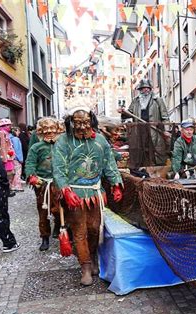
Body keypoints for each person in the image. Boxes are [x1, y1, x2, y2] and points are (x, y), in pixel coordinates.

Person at [53, 100, 123, 286]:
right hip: (75, 194)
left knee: (94, 229)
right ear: (71, 123)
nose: (82, 126)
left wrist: (116, 183)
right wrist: (65, 190)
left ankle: (92, 257)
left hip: (95, 193)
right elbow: (58, 168)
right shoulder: (63, 142)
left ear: (91, 121)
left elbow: (109, 163)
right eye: (78, 123)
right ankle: (84, 266)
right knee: (80, 231)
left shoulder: (100, 140)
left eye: (86, 122)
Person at [25, 117, 61, 251]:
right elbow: (30, 163)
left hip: (59, 183)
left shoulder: (62, 145)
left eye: (52, 128)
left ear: (57, 130)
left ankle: (58, 226)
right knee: (43, 211)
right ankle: (45, 236)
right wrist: (32, 176)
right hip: (42, 184)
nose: (50, 132)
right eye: (46, 129)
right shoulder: (36, 147)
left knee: (60, 208)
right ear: (41, 131)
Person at [0, 119, 16, 197]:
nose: (9, 127)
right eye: (8, 125)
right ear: (3, 126)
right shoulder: (1, 133)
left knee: (11, 173)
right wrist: (4, 158)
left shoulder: (6, 133)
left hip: (9, 157)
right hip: (6, 158)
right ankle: (6, 190)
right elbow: (2, 147)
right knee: (7, 174)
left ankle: (8, 189)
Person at [10, 127, 24, 192]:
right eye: (18, 131)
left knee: (14, 172)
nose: (19, 132)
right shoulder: (16, 139)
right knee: (18, 172)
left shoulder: (10, 138)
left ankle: (12, 185)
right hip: (16, 158)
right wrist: (20, 158)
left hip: (12, 157)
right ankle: (17, 186)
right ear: (15, 131)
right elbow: (17, 150)